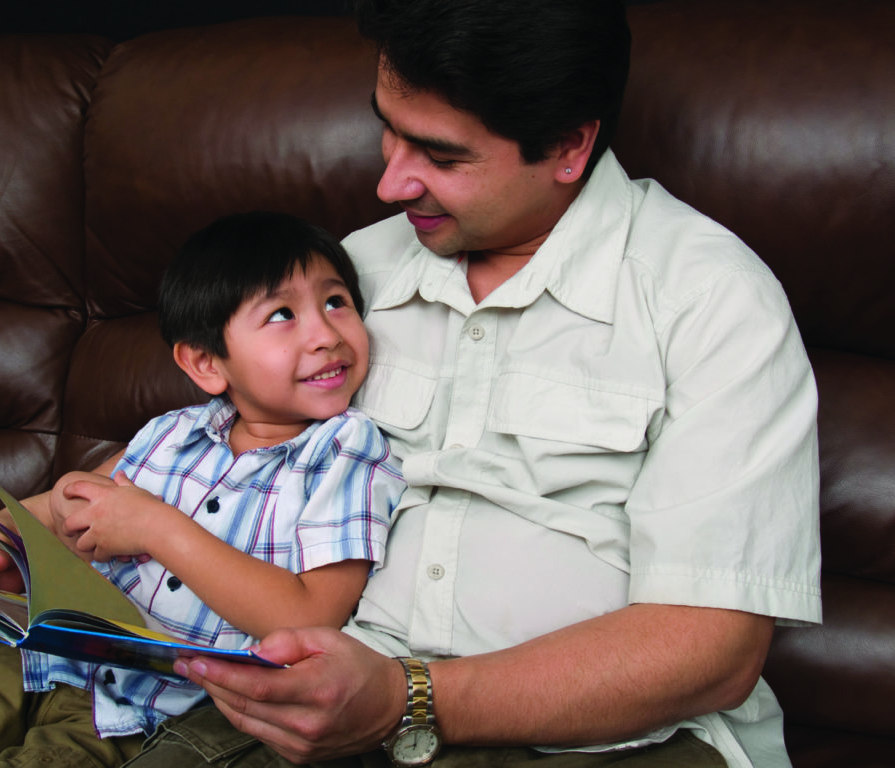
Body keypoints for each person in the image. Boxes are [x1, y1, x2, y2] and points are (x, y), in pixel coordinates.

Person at [111, 1, 821, 768]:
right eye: (388, 127)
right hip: (329, 699)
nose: (389, 182)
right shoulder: (347, 280)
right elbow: (220, 452)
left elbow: (711, 648)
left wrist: (409, 696)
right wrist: (39, 525)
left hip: (608, 741)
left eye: (440, 157)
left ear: (568, 146)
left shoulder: (709, 299)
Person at [0, 210, 405, 767]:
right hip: (36, 656)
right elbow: (70, 499)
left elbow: (312, 615)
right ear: (205, 363)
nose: (325, 335)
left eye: (336, 302)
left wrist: (156, 525)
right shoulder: (174, 431)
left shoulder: (345, 450)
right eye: (281, 314)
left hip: (141, 712)